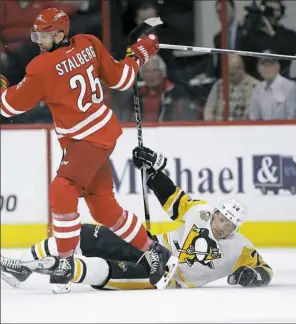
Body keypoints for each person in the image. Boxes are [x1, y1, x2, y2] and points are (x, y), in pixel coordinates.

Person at [0, 8, 178, 294]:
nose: (38, 41)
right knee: (104, 209)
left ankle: (66, 262)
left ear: (59, 34)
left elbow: (8, 106)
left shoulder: (41, 67)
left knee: (62, 187)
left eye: (43, 35)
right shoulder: (89, 43)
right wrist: (139, 55)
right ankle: (155, 251)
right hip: (100, 133)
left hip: (87, 140)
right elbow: (121, 79)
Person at [1, 146, 273, 290]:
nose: (222, 226)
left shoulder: (240, 248)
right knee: (85, 234)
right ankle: (22, 265)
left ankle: (47, 268)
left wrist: (252, 276)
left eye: (229, 224)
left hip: (163, 276)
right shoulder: (198, 212)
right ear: (214, 213)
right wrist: (153, 172)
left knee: (99, 269)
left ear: (235, 228)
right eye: (221, 218)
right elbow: (172, 197)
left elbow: (264, 269)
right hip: (153, 247)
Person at [239, 0, 296, 79]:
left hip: (280, 81)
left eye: (276, 10)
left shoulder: (289, 34)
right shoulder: (254, 35)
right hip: (255, 82)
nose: (273, 14)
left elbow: (286, 55)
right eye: (269, 10)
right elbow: (246, 59)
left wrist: (272, 33)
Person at [204, 54, 260, 120]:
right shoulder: (219, 85)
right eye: (226, 73)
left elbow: (250, 115)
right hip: (217, 127)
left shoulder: (255, 87)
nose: (228, 77)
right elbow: (208, 109)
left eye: (231, 74)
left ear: (241, 70)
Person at [248, 52, 296, 120]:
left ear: (278, 66)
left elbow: (293, 117)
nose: (267, 68)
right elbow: (254, 117)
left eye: (270, 65)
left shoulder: (290, 87)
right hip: (263, 129)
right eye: (264, 65)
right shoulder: (258, 89)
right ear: (258, 68)